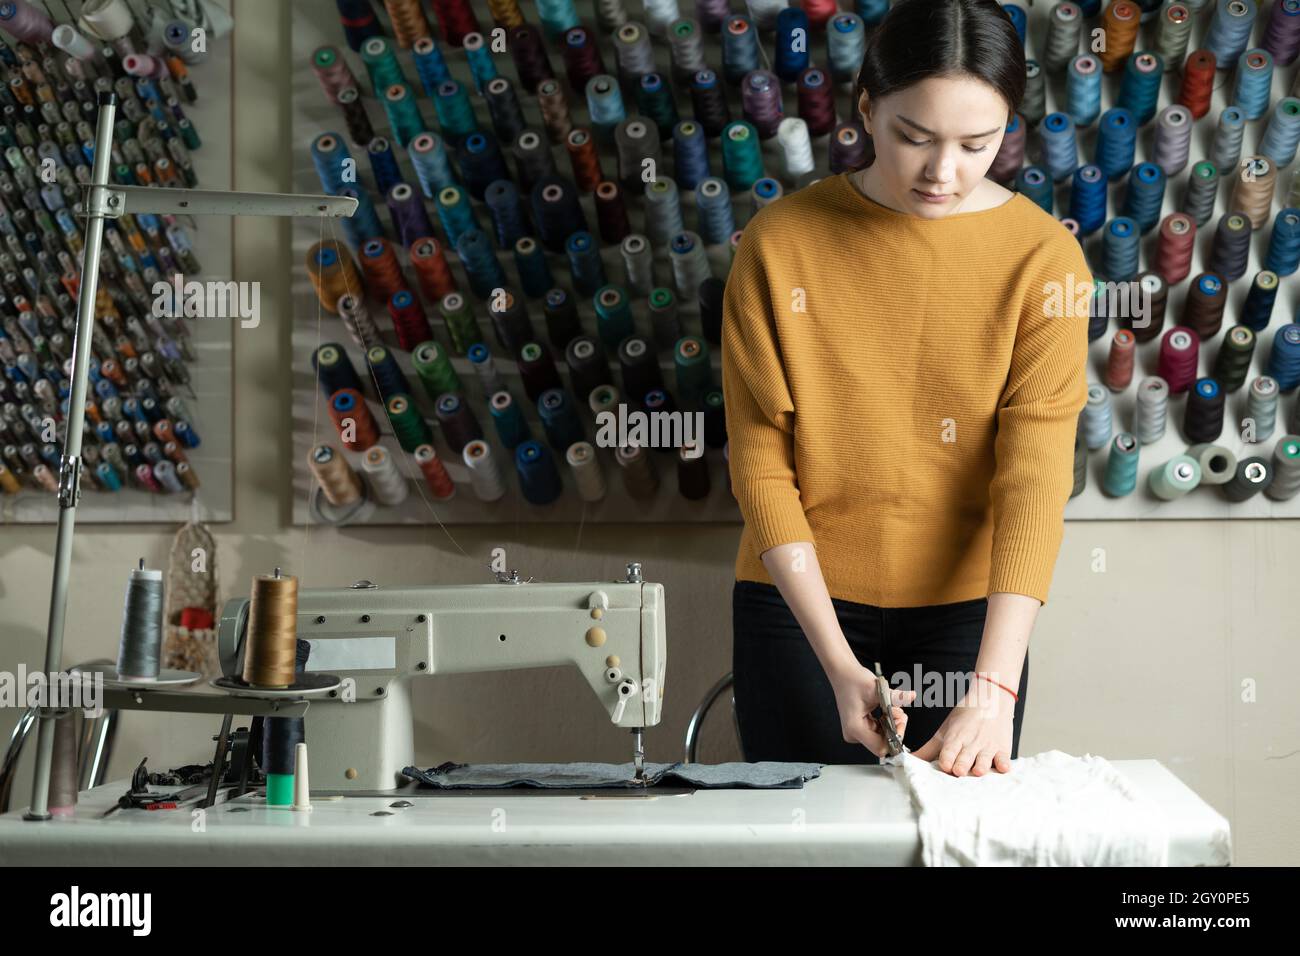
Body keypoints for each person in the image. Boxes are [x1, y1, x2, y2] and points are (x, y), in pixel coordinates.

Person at [722, 0, 1093, 777]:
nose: (941, 172)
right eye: (913, 137)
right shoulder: (781, 244)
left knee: (952, 847)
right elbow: (760, 463)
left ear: (1008, 129)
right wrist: (835, 659)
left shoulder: (1044, 261)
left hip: (970, 616)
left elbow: (1033, 477)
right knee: (797, 845)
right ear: (866, 109)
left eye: (975, 144)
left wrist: (994, 685)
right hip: (799, 608)